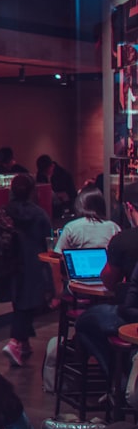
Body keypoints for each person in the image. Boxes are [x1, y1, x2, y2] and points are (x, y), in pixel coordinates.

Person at [73, 198, 138, 376]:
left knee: (84, 323)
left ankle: (117, 379)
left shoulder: (122, 240)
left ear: (129, 206)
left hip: (129, 314)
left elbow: (109, 281)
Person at [0, 175, 53, 367]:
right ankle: (15, 342)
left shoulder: (4, 211)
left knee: (18, 302)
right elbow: (48, 240)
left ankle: (24, 344)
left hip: (9, 263)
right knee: (26, 305)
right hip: (33, 264)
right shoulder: (40, 214)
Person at [53, 187, 119, 253]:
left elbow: (58, 254)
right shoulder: (114, 227)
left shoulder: (71, 227)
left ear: (78, 206)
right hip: (107, 263)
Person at [36, 154, 77, 220]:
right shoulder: (40, 174)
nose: (45, 174)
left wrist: (62, 196)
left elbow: (72, 194)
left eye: (47, 171)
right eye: (43, 172)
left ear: (52, 166)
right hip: (46, 208)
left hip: (62, 208)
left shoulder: (64, 175)